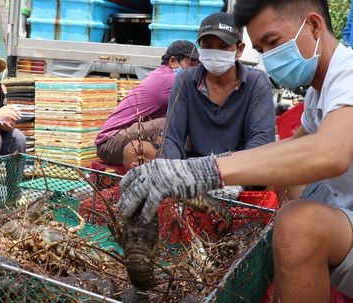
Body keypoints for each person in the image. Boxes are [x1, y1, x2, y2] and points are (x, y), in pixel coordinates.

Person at [117, 0, 353, 301]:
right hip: (344, 215)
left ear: (315, 25)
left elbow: (330, 152)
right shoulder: (317, 93)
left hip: (335, 214)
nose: (270, 58)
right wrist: (175, 172)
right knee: (286, 179)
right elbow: (290, 151)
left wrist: (207, 171)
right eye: (263, 49)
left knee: (298, 223)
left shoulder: (348, 73)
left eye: (273, 42)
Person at [162, 12, 275, 159]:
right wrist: (172, 173)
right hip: (193, 170)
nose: (215, 52)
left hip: (241, 172)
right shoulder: (185, 80)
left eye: (224, 47)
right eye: (208, 46)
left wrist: (225, 173)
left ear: (239, 49)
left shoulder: (257, 82)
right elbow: (172, 137)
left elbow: (261, 141)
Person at [94, 40, 200, 171]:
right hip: (109, 144)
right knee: (167, 124)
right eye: (191, 65)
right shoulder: (170, 79)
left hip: (118, 140)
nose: (195, 70)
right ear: (173, 62)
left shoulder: (163, 74)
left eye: (198, 66)